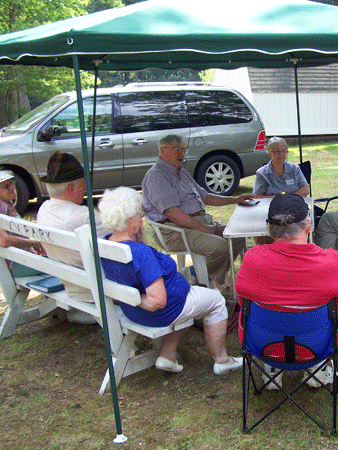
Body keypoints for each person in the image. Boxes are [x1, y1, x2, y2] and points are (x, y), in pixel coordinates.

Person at [98, 187, 243, 375]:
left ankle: (168, 355)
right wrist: (136, 297)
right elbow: (157, 301)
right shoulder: (140, 253)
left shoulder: (106, 243)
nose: (141, 218)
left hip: (132, 312)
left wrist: (132, 297)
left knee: (193, 302)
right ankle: (222, 360)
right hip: (161, 311)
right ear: (128, 220)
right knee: (216, 300)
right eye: (138, 214)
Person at [235, 193, 338, 389]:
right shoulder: (332, 262)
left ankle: (272, 368)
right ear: (309, 224)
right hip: (317, 347)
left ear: (269, 229)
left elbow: (242, 299)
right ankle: (317, 370)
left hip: (262, 346)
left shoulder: (251, 259)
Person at [142, 134, 254, 290]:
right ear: (162, 151)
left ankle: (196, 274)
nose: (181, 153)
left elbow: (205, 196)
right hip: (175, 230)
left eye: (183, 149)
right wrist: (205, 229)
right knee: (219, 247)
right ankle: (201, 278)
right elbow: (172, 213)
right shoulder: (156, 176)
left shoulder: (181, 172)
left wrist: (235, 200)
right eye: (176, 149)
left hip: (196, 223)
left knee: (236, 238)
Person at [37, 151, 108, 324]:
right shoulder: (84, 216)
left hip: (71, 283)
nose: (85, 189)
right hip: (97, 287)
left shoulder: (44, 209)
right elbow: (123, 242)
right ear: (71, 188)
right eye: (84, 184)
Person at [0, 170, 45, 277]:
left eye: (11, 183)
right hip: (15, 264)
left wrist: (31, 244)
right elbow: (4, 240)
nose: (12, 188)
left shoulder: (8, 204)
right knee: (61, 264)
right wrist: (35, 243)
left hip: (23, 258)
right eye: (6, 186)